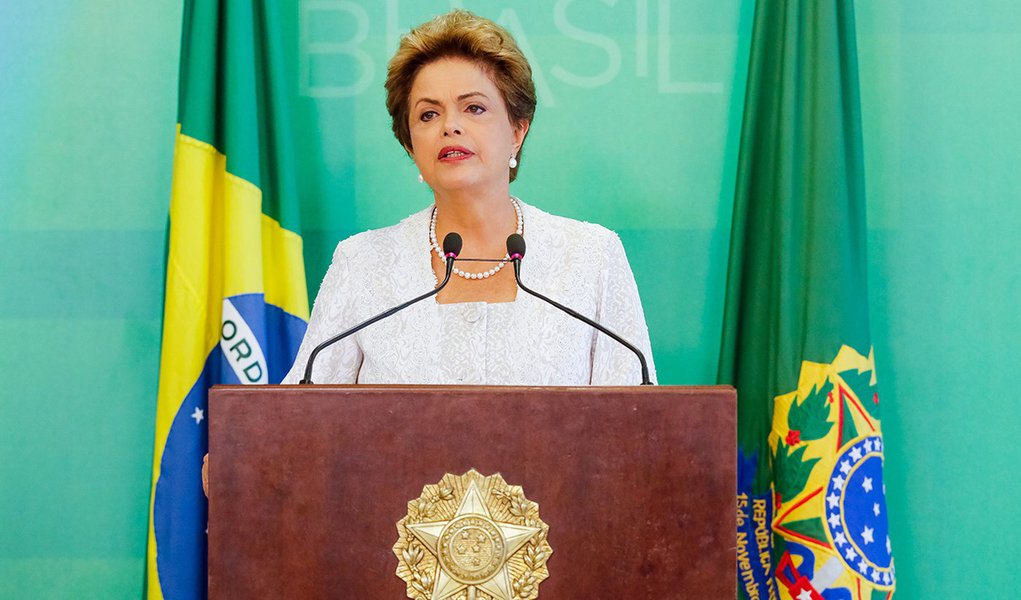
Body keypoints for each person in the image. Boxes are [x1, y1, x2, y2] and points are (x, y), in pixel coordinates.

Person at [282, 9, 656, 386]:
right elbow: (298, 425)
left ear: (516, 131)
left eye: (474, 108)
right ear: (410, 145)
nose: (450, 127)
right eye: (428, 115)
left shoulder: (591, 258)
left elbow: (640, 424)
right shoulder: (361, 265)